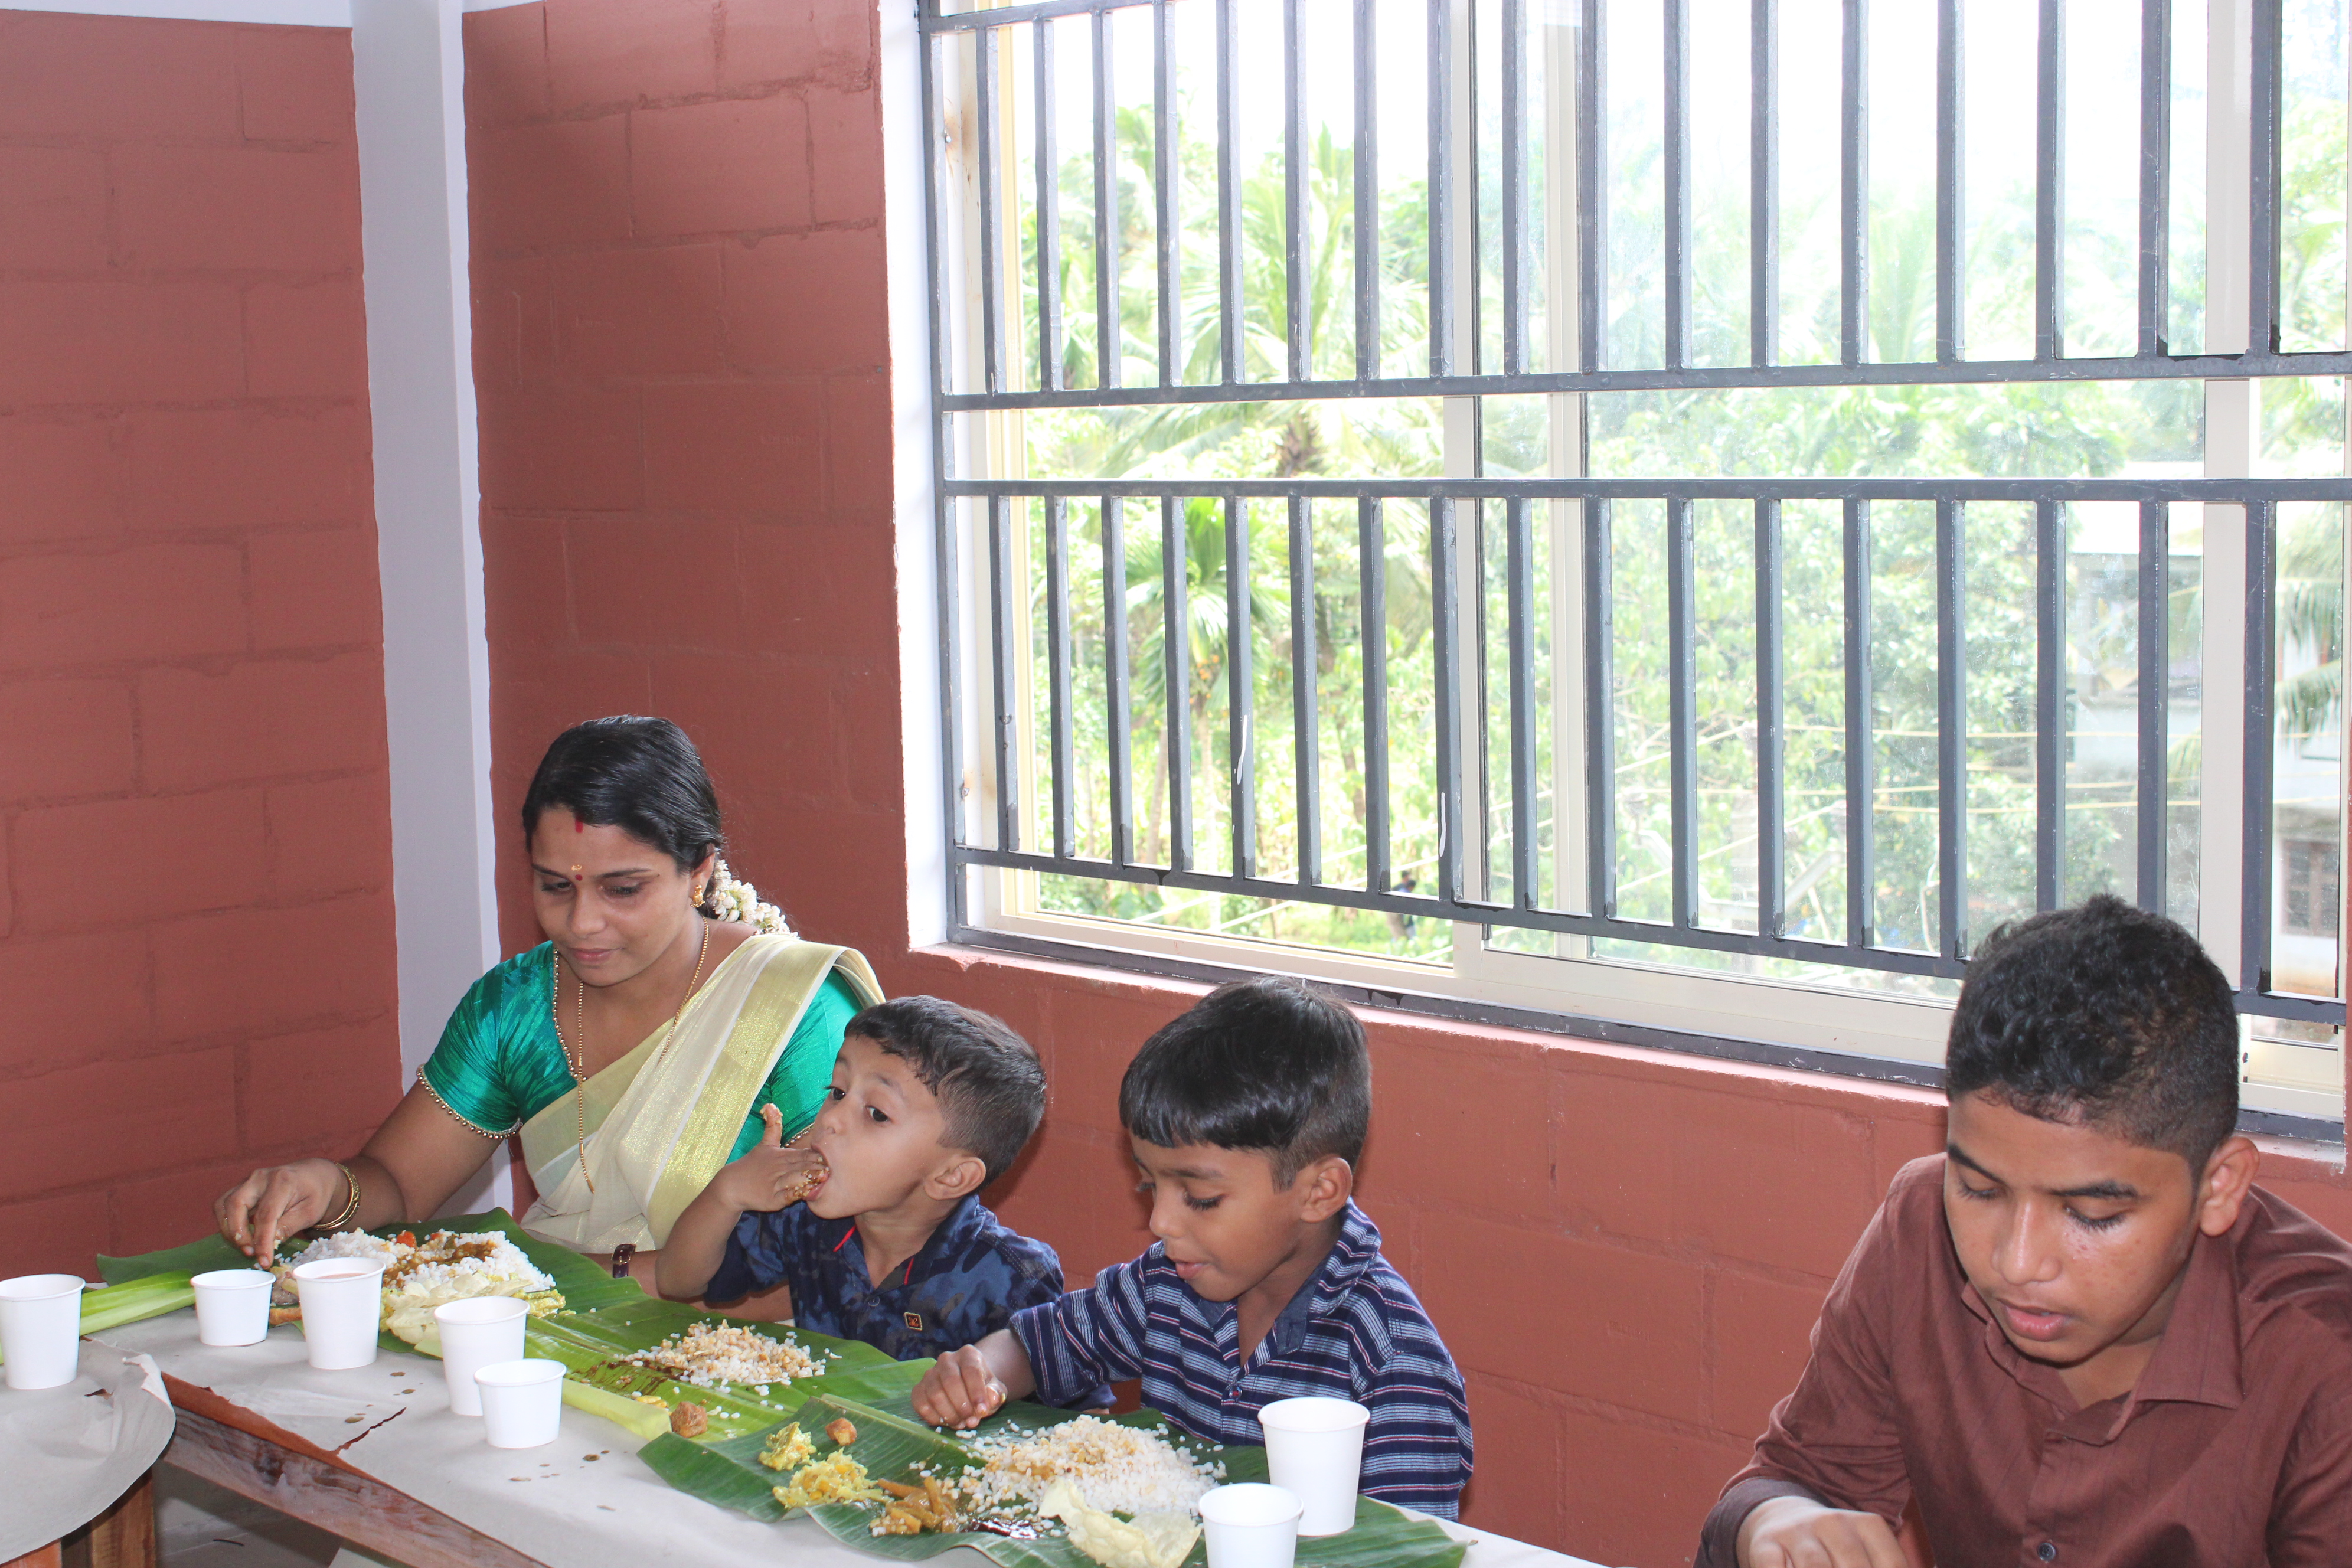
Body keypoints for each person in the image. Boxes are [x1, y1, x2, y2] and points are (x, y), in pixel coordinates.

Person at [1700, 895, 2352, 1568]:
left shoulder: (2325, 1368)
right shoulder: (1920, 1228)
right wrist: (1780, 1519)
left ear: (2218, 1187)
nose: (2016, 1262)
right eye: (1980, 1189)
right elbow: (1805, 1478)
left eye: (2092, 1215)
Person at [213, 716, 881, 1299]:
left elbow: (839, 1260)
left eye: (623, 889)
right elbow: (396, 1182)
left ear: (700, 870)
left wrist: (563, 1276)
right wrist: (325, 1187)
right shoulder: (516, 1007)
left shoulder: (799, 1012)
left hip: (744, 1361)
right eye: (555, 886)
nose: (583, 922)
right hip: (543, 1326)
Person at [910, 975, 1475, 1519]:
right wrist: (981, 1373)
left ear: (1318, 1191)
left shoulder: (1392, 1364)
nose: (1160, 1221)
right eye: (1150, 1187)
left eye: (1200, 1198)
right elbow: (1040, 1345)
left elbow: (1412, 1543)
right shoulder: (1166, 1285)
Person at [656, 997, 1094, 1386]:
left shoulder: (1013, 1278)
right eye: (838, 1091)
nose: (830, 1120)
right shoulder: (802, 1218)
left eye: (876, 1113)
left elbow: (1081, 1415)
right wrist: (727, 1193)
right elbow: (678, 1281)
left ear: (950, 1176)